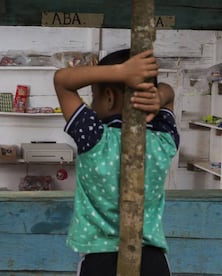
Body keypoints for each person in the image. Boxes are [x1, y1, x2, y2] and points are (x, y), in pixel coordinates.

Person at [53, 49, 179, 276]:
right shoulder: (163, 140)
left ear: (109, 98)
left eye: (94, 95)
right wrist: (158, 97)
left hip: (100, 259)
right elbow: (169, 94)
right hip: (152, 261)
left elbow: (62, 81)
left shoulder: (95, 137)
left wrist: (120, 72)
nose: (92, 102)